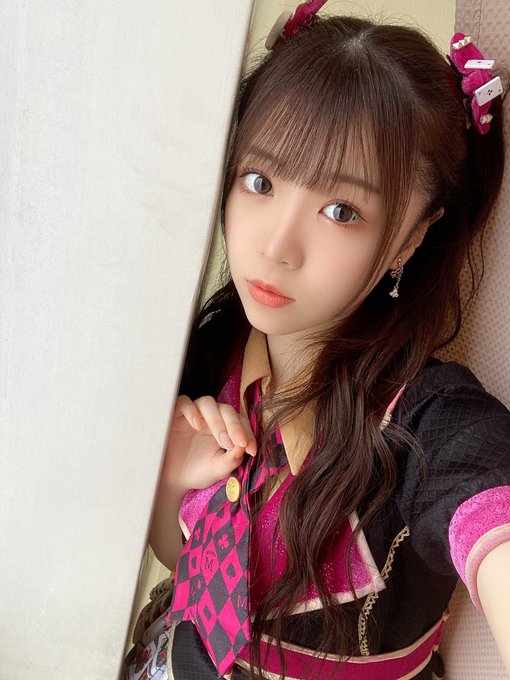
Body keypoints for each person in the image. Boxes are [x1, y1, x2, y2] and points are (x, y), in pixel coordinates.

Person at [123, 5, 510, 679]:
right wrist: (169, 487)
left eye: (341, 211)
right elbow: (184, 565)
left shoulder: (426, 425)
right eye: (260, 181)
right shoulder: (213, 351)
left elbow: (488, 514)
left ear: (413, 235)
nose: (276, 245)